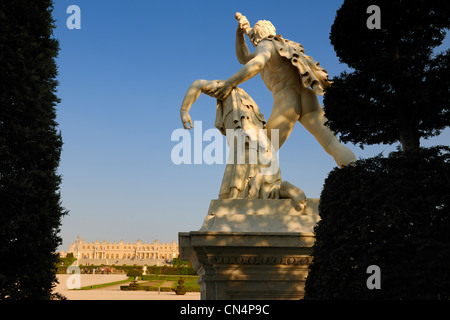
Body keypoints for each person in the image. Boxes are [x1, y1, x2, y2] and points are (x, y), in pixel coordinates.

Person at [212, 13, 357, 168]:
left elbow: (256, 64)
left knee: (263, 151)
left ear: (256, 37)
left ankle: (260, 190)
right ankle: (359, 177)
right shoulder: (284, 45)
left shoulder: (264, 45)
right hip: (308, 98)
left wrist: (229, 83)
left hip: (287, 100)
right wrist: (241, 33)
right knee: (332, 143)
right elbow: (245, 57)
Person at [180, 79, 307, 211]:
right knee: (266, 188)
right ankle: (278, 187)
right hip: (263, 145)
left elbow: (198, 84)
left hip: (245, 140)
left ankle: (252, 191)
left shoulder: (226, 90)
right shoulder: (249, 103)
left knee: (238, 192)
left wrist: (184, 110)